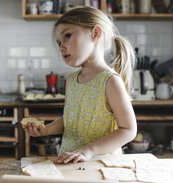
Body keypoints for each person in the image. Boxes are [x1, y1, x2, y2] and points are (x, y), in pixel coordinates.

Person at [22, 6, 137, 164]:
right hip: (70, 162)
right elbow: (72, 119)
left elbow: (128, 130)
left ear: (95, 33)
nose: (61, 47)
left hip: (101, 164)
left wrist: (89, 150)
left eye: (67, 36)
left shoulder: (110, 81)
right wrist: (46, 129)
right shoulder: (71, 80)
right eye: (58, 42)